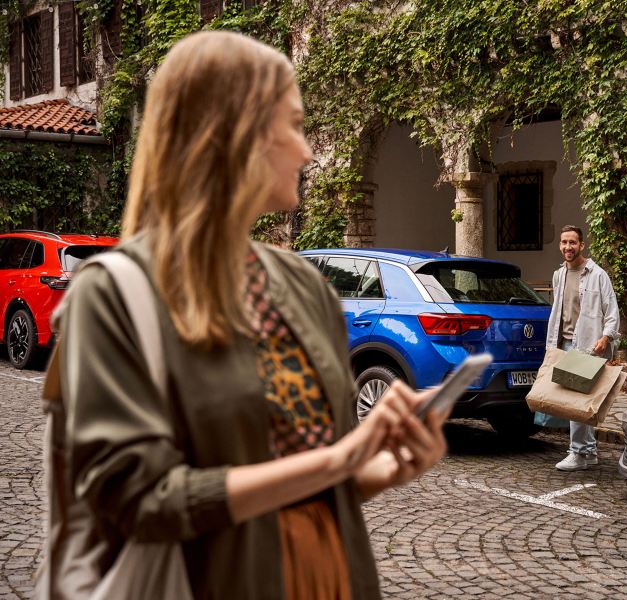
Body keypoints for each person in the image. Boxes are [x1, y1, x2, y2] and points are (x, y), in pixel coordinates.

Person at [55, 31, 448, 599]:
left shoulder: (300, 285)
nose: (307, 150)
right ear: (229, 135)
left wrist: (377, 471)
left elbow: (307, 478)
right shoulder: (114, 296)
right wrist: (334, 462)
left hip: (329, 576)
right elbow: (136, 501)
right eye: (292, 125)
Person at [546, 225, 620, 471]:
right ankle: (588, 453)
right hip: (563, 343)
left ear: (582, 245)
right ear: (560, 245)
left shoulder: (597, 275)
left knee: (576, 401)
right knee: (575, 402)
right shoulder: (559, 275)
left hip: (587, 346)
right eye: (564, 242)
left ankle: (578, 452)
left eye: (573, 243)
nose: (568, 247)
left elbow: (611, 311)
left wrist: (606, 337)